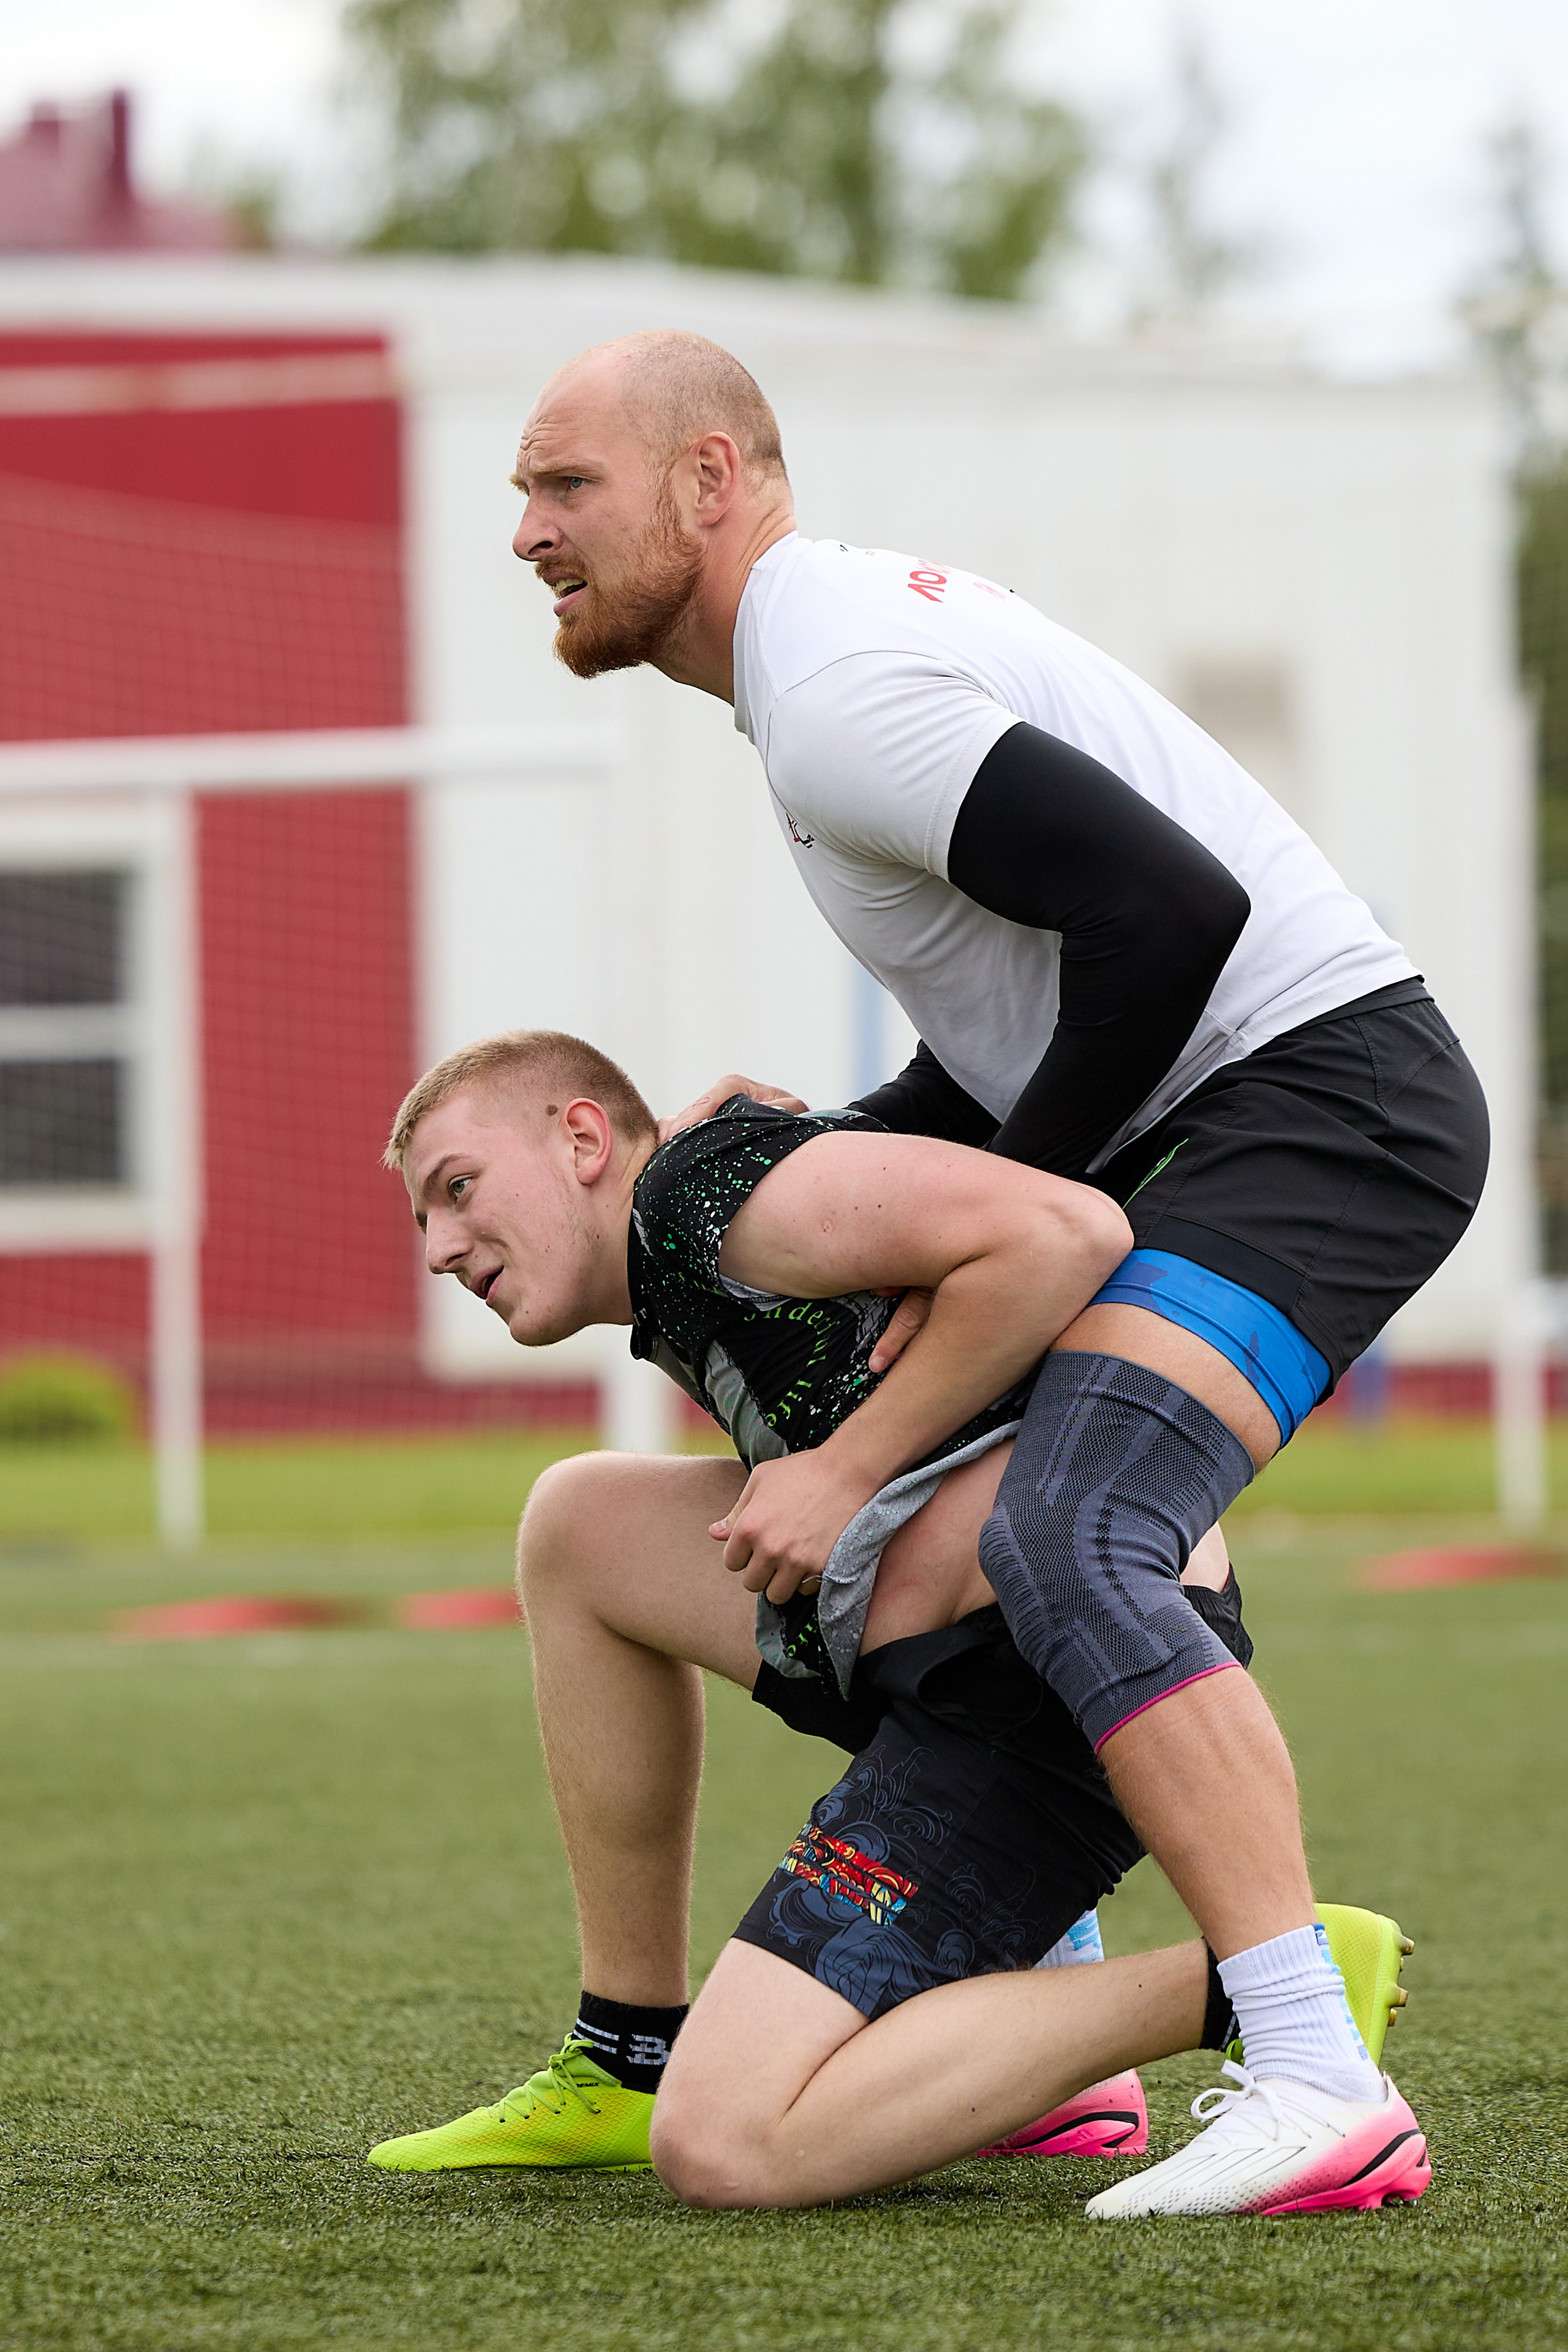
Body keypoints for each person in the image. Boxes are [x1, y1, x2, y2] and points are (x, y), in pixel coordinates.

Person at [505, 331, 1487, 2211]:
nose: (530, 533)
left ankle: (1312, 2066)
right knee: (995, 1518)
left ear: (713, 481)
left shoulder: (836, 688)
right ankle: (1046, 2026)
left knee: (1069, 1529)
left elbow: (1173, 919)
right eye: (525, 498)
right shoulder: (815, 675)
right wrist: (841, 1151)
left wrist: (1010, 1206)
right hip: (1254, 1103)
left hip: (1330, 1102)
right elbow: (1039, 1018)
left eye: (566, 488)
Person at [365, 1030, 1425, 2219]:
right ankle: (626, 2053)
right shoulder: (677, 1259)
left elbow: (1063, 1234)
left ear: (580, 1140)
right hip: (936, 1652)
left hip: (1037, 1682)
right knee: (579, 1525)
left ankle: (1258, 1979)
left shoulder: (698, 1193)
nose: (442, 1246)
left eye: (457, 1189)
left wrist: (843, 1470)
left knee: (724, 2144)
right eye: (422, 1223)